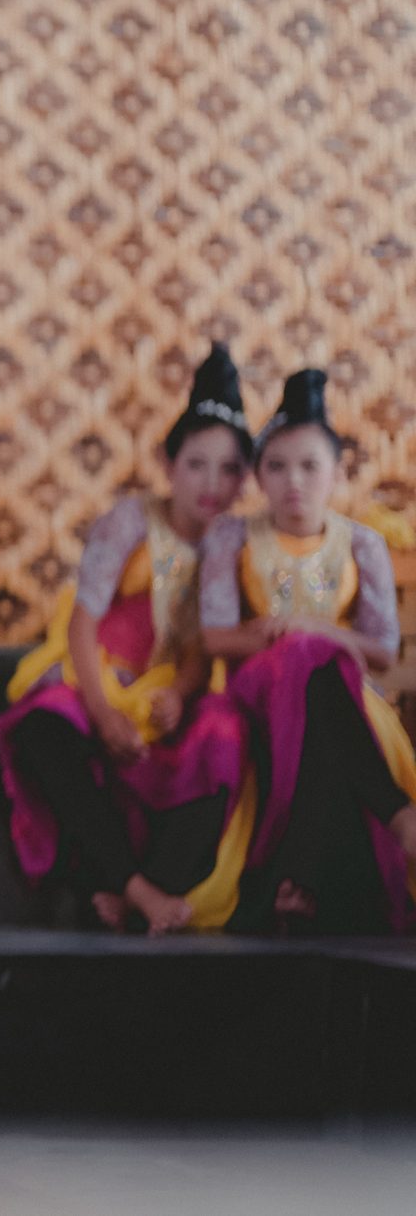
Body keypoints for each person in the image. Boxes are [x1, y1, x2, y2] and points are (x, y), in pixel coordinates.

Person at [0, 343, 255, 933]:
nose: (212, 483)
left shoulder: (231, 543)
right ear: (168, 462)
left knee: (225, 735)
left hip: (170, 683)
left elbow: (201, 645)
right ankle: (133, 886)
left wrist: (183, 694)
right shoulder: (131, 522)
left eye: (230, 468)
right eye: (197, 464)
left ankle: (150, 884)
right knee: (45, 731)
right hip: (100, 672)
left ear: (246, 478)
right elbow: (81, 623)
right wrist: (104, 709)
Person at [200, 368, 416, 935]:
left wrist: (310, 630)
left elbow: (384, 653)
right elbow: (215, 636)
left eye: (309, 466)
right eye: (276, 466)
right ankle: (398, 816)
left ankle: (302, 882)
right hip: (256, 690)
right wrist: (293, 639)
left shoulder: (361, 543)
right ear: (259, 477)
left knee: (318, 688)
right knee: (301, 662)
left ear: (336, 473)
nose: (293, 481)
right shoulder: (232, 537)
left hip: (342, 691)